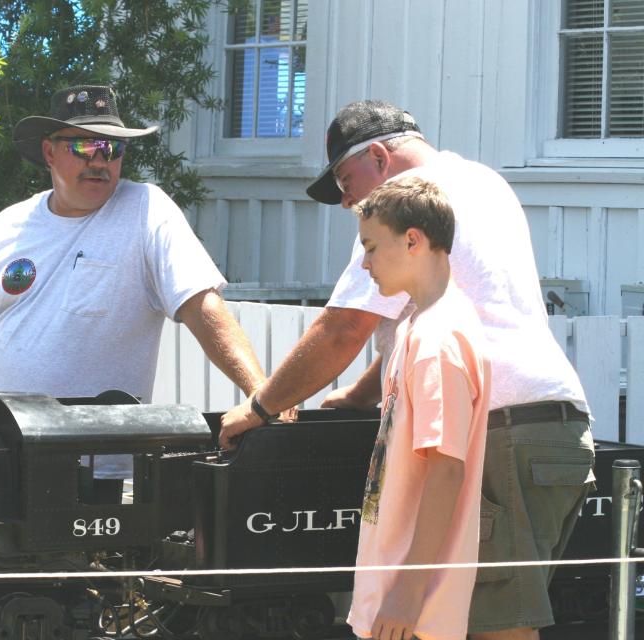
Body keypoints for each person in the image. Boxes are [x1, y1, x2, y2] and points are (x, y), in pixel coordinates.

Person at [220, 100, 595, 640]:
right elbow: (456, 307)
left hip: (498, 429)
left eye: (347, 182)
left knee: (497, 629)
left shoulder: (406, 211)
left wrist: (259, 407)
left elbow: (344, 328)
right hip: (550, 424)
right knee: (482, 620)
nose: (348, 202)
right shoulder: (484, 183)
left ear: (378, 155)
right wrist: (361, 395)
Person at [0, 84, 265, 434]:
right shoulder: (8, 224)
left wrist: (260, 393)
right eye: (85, 146)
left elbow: (202, 305)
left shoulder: (147, 211)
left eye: (112, 148)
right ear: (49, 152)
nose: (99, 161)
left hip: (89, 460)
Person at [347, 176, 489, 640]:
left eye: (370, 247)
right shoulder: (418, 325)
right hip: (395, 594)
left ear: (413, 240)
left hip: (413, 609)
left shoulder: (437, 340)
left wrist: (409, 589)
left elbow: (446, 468)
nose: (365, 263)